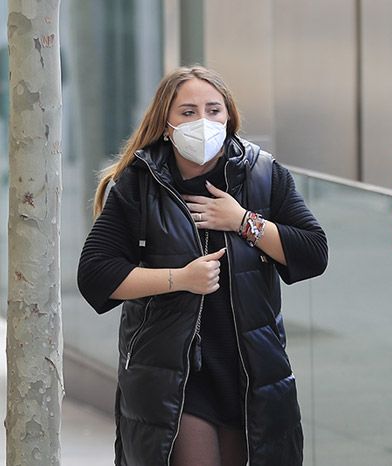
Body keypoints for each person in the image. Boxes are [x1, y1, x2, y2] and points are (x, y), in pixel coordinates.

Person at [77, 66, 328, 466]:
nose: (204, 122)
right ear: (166, 124)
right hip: (174, 376)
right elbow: (95, 275)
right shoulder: (139, 184)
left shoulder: (262, 174)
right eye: (188, 112)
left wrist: (244, 221)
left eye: (214, 110)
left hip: (249, 371)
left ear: (229, 118)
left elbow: (314, 252)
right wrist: (181, 279)